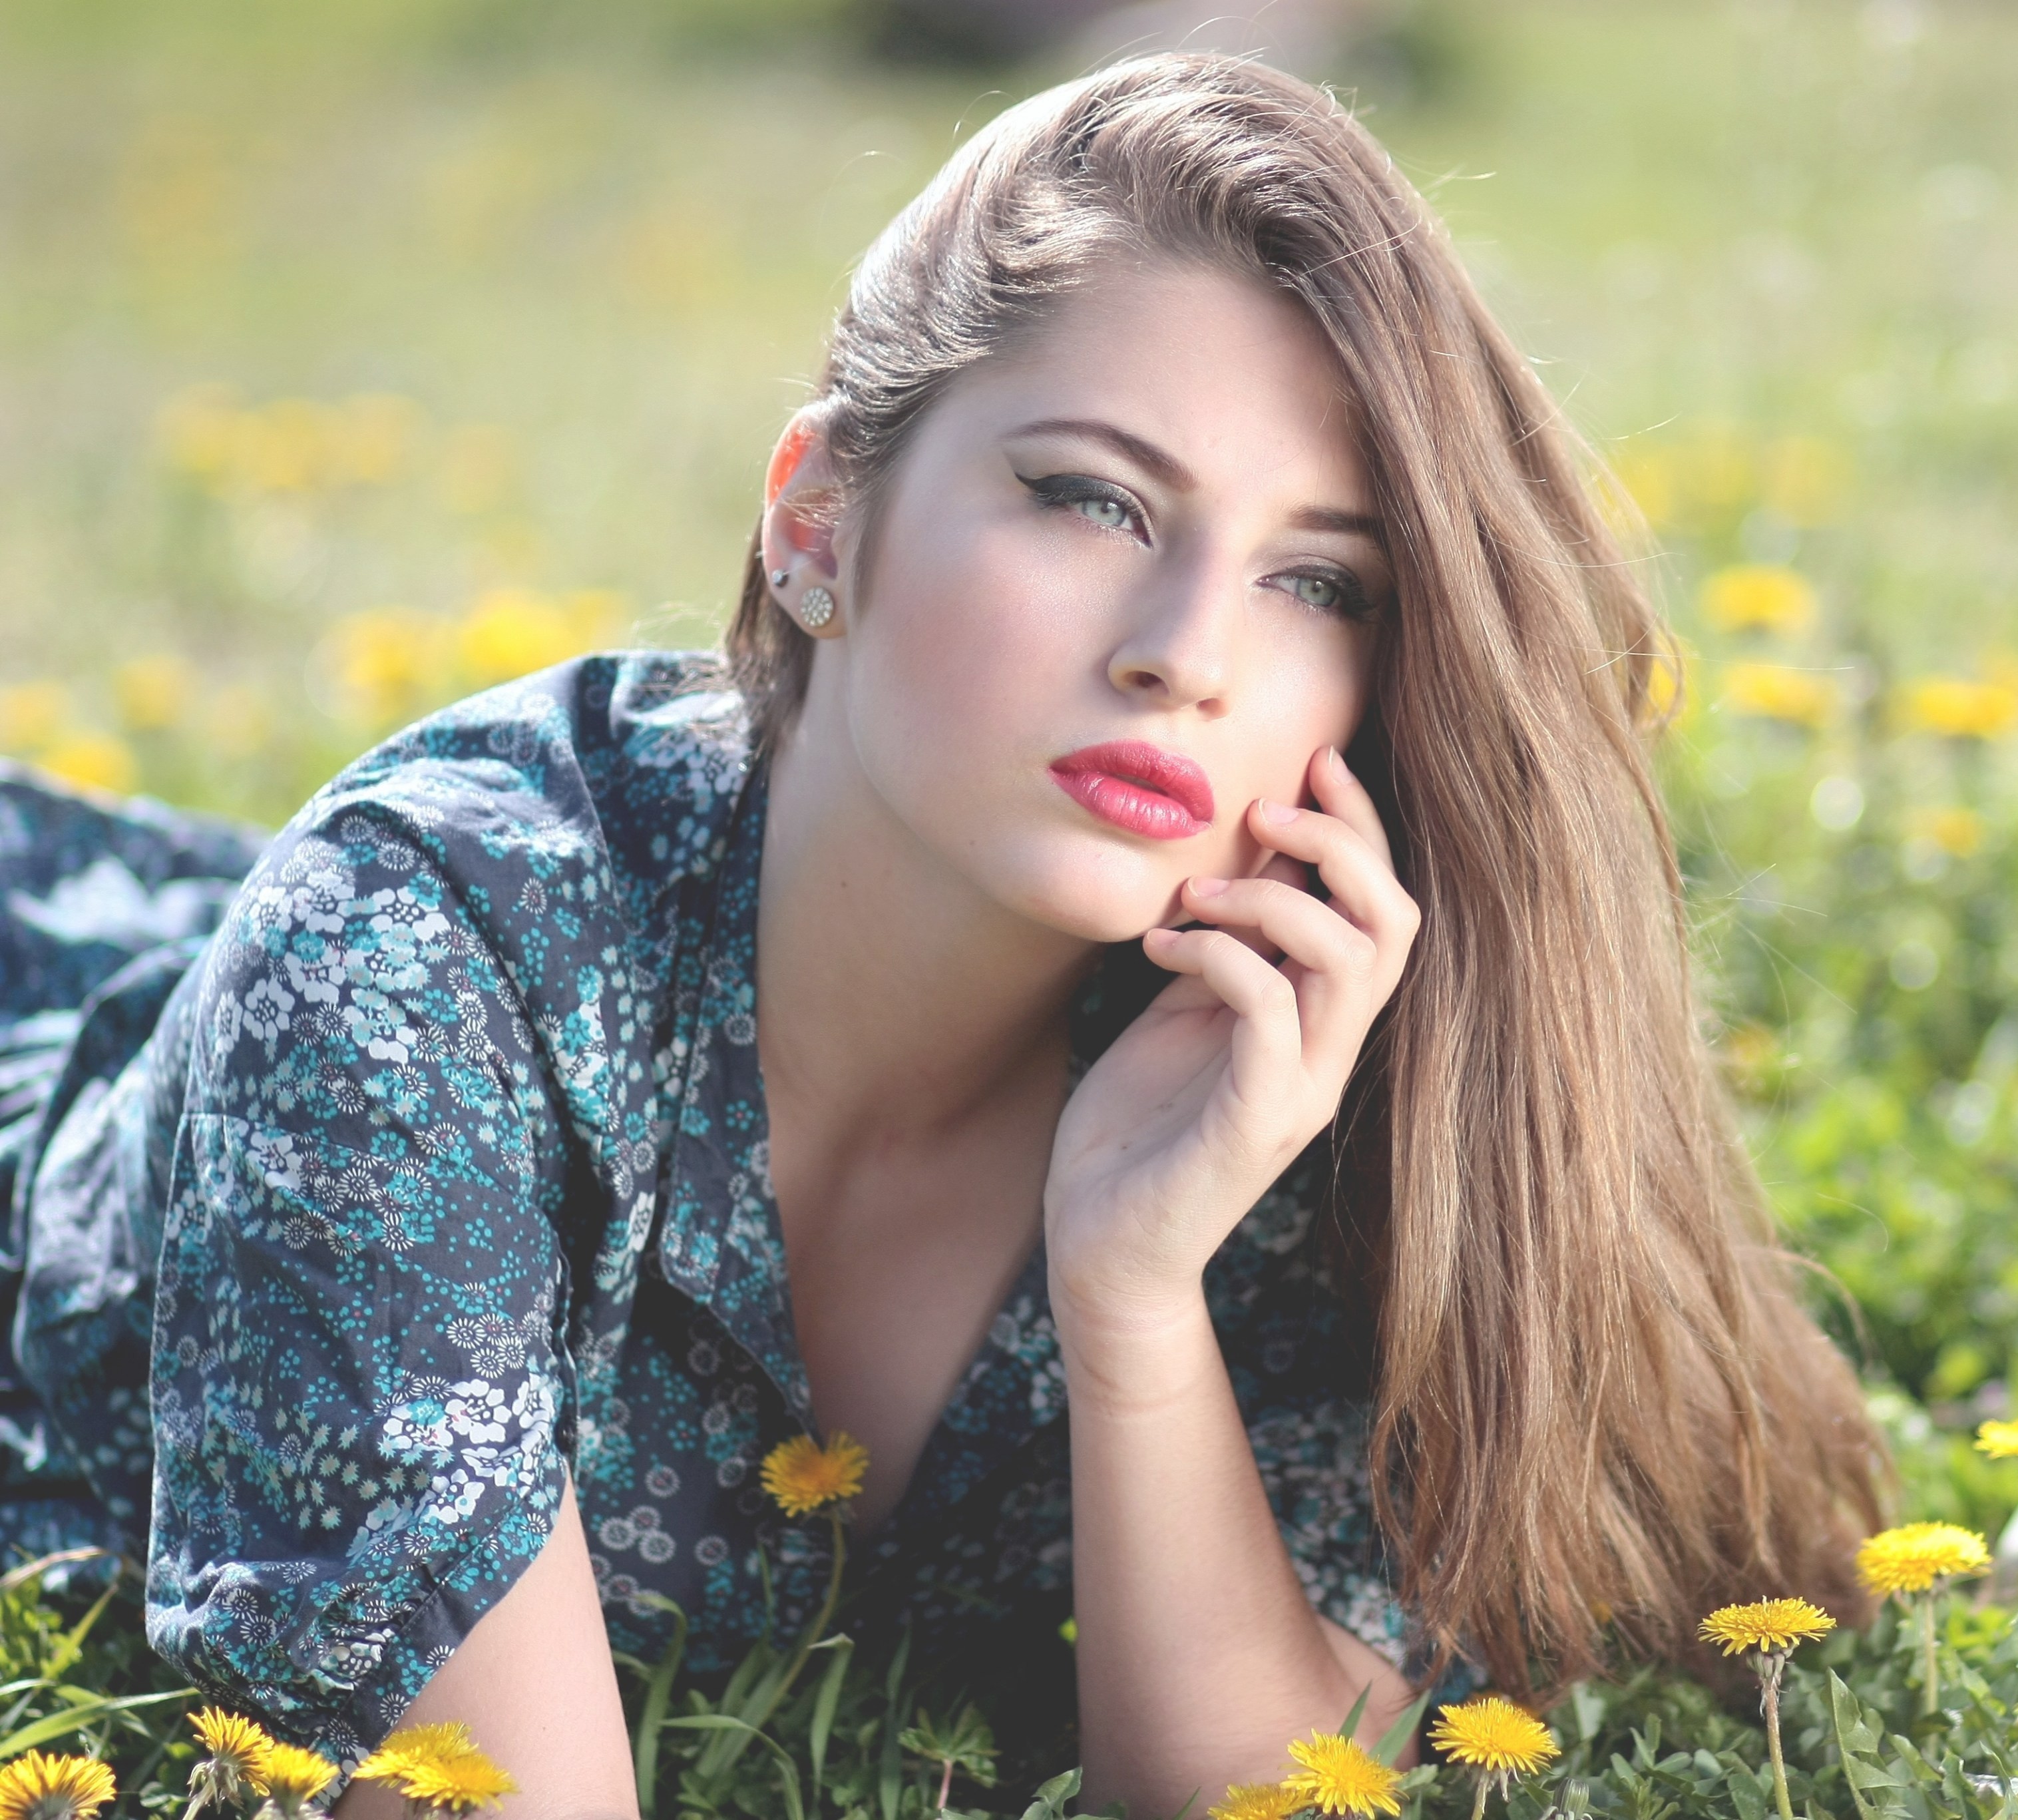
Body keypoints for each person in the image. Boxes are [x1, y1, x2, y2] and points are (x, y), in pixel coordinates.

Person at [0, 53, 1884, 1820]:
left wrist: (1136, 1289)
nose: (1189, 651)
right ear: (818, 525)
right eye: (1090, 497)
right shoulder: (407, 975)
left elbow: (1267, 1781)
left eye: (1316, 577)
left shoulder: (1290, 1041)